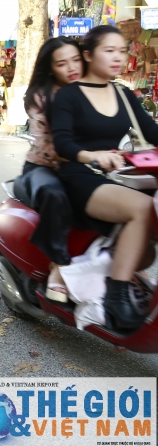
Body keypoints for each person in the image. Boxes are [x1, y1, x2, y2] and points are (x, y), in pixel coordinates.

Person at [51, 25, 158, 330]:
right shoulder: (69, 95)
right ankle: (116, 295)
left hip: (117, 176)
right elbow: (62, 143)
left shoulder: (124, 93)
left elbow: (151, 132)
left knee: (147, 249)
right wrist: (92, 156)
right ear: (88, 54)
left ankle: (91, 276)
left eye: (122, 51)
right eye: (109, 51)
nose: (118, 57)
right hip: (79, 176)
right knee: (141, 208)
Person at [16, 37, 83, 303]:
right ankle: (58, 265)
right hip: (42, 168)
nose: (71, 67)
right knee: (55, 194)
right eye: (62, 63)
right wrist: (88, 158)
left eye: (76, 60)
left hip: (82, 166)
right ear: (50, 68)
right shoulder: (40, 96)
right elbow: (46, 146)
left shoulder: (94, 90)